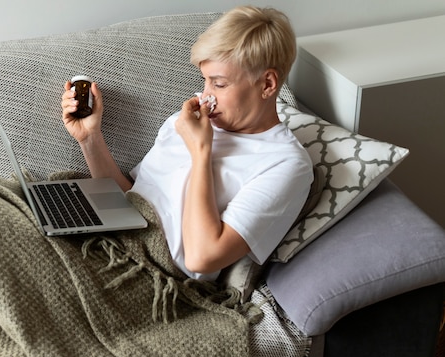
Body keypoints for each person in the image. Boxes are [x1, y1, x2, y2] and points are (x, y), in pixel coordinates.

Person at [61, 5, 313, 281]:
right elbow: (130, 202)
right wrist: (89, 138)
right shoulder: (186, 121)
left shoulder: (285, 164)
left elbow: (201, 258)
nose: (206, 97)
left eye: (219, 84)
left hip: (151, 275)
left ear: (267, 84)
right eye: (204, 80)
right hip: (113, 240)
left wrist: (201, 152)